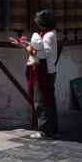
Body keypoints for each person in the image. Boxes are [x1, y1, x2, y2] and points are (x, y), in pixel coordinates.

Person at [21, 10, 60, 138]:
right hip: (48, 71)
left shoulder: (48, 35)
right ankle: (52, 129)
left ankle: (44, 130)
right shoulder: (48, 34)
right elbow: (40, 49)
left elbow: (44, 54)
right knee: (48, 100)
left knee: (42, 101)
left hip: (45, 71)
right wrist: (26, 44)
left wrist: (29, 49)